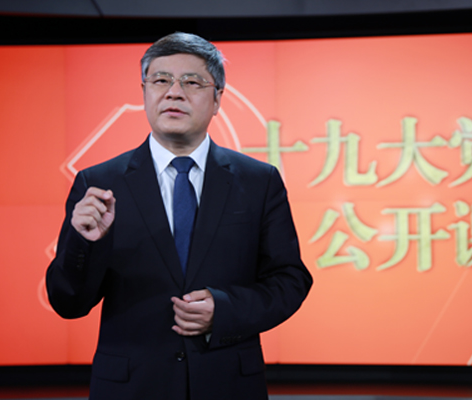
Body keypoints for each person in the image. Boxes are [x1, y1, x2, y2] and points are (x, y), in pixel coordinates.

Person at [46, 32, 312, 400]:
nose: (174, 92)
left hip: (228, 385)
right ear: (144, 92)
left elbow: (290, 280)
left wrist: (225, 311)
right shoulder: (99, 184)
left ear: (217, 98)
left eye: (192, 82)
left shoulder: (258, 181)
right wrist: (84, 243)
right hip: (131, 388)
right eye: (160, 80)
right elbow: (68, 303)